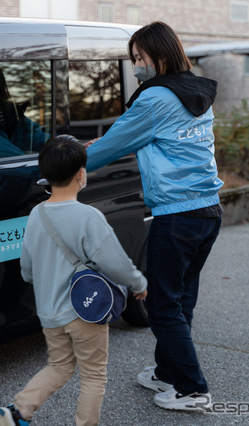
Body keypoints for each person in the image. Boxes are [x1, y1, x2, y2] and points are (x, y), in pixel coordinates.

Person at [85, 21, 223, 412]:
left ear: (159, 55)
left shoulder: (156, 98)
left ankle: (193, 390)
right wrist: (111, 138)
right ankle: (169, 371)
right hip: (208, 210)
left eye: (139, 58)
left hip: (177, 215)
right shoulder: (195, 91)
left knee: (162, 303)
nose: (136, 67)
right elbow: (138, 135)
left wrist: (55, 168)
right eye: (133, 60)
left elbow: (112, 147)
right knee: (182, 298)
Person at [0, 135, 147, 426]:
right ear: (81, 174)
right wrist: (139, 283)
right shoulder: (88, 216)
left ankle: (17, 411)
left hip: (50, 313)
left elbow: (26, 270)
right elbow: (115, 262)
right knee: (93, 375)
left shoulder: (36, 215)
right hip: (84, 312)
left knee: (60, 366)